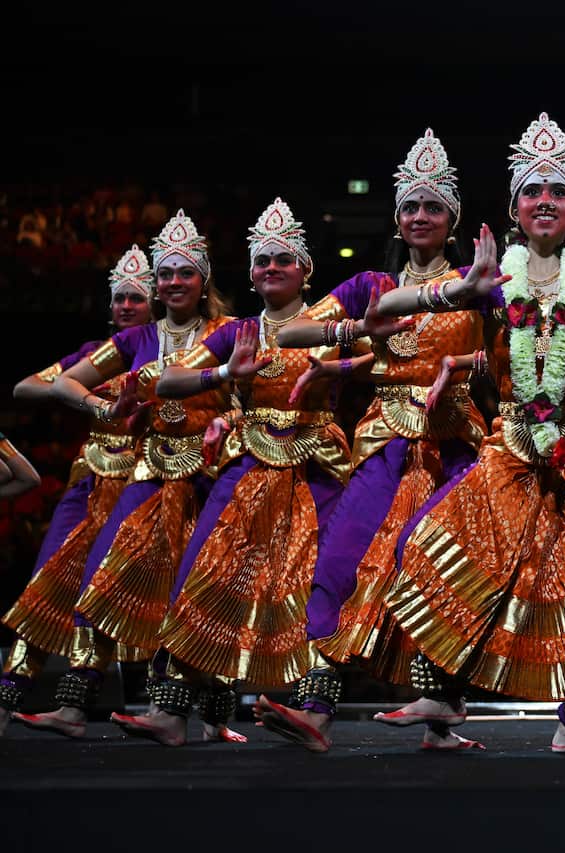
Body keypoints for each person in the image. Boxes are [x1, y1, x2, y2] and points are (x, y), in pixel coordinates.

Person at [261, 113, 565, 755]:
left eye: (559, 192)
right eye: (532, 192)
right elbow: (388, 309)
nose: (546, 201)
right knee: (426, 546)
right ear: (515, 210)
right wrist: (455, 293)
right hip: (510, 442)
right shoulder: (496, 280)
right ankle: (434, 694)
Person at [256, 130, 487, 753]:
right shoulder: (368, 286)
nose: (420, 216)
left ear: (452, 219)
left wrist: (462, 365)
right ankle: (315, 712)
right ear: (397, 218)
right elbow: (291, 334)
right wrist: (360, 333)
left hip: (454, 445)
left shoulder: (475, 283)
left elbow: (512, 351)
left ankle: (442, 712)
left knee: (434, 570)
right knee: (339, 562)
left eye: (433, 206)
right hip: (384, 441)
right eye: (410, 206)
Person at [105, 199, 350, 747]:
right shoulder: (237, 332)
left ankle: (315, 712)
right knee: (203, 571)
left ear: (306, 269)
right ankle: (170, 714)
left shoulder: (332, 323)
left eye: (282, 259)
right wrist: (221, 373)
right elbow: (167, 382)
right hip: (248, 463)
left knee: (317, 583)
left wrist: (346, 362)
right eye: (262, 261)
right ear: (251, 274)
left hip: (317, 465)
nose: (271, 268)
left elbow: (381, 360)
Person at [18, 212, 235, 740]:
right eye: (166, 274)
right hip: (149, 473)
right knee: (103, 576)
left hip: (209, 477)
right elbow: (65, 383)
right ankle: (74, 709)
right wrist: (106, 409)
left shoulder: (228, 332)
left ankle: (205, 714)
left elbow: (252, 393)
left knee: (198, 591)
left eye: (185, 272)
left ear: (204, 278)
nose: (175, 282)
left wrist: (229, 419)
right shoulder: (137, 339)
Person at [1, 247, 153, 733]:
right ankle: (7, 696)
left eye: (136, 298)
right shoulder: (93, 355)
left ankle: (122, 708)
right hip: (88, 481)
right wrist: (85, 393)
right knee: (46, 579)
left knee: (117, 591)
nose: (126, 306)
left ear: (153, 305)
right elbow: (24, 387)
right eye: (119, 298)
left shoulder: (164, 350)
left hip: (146, 482)